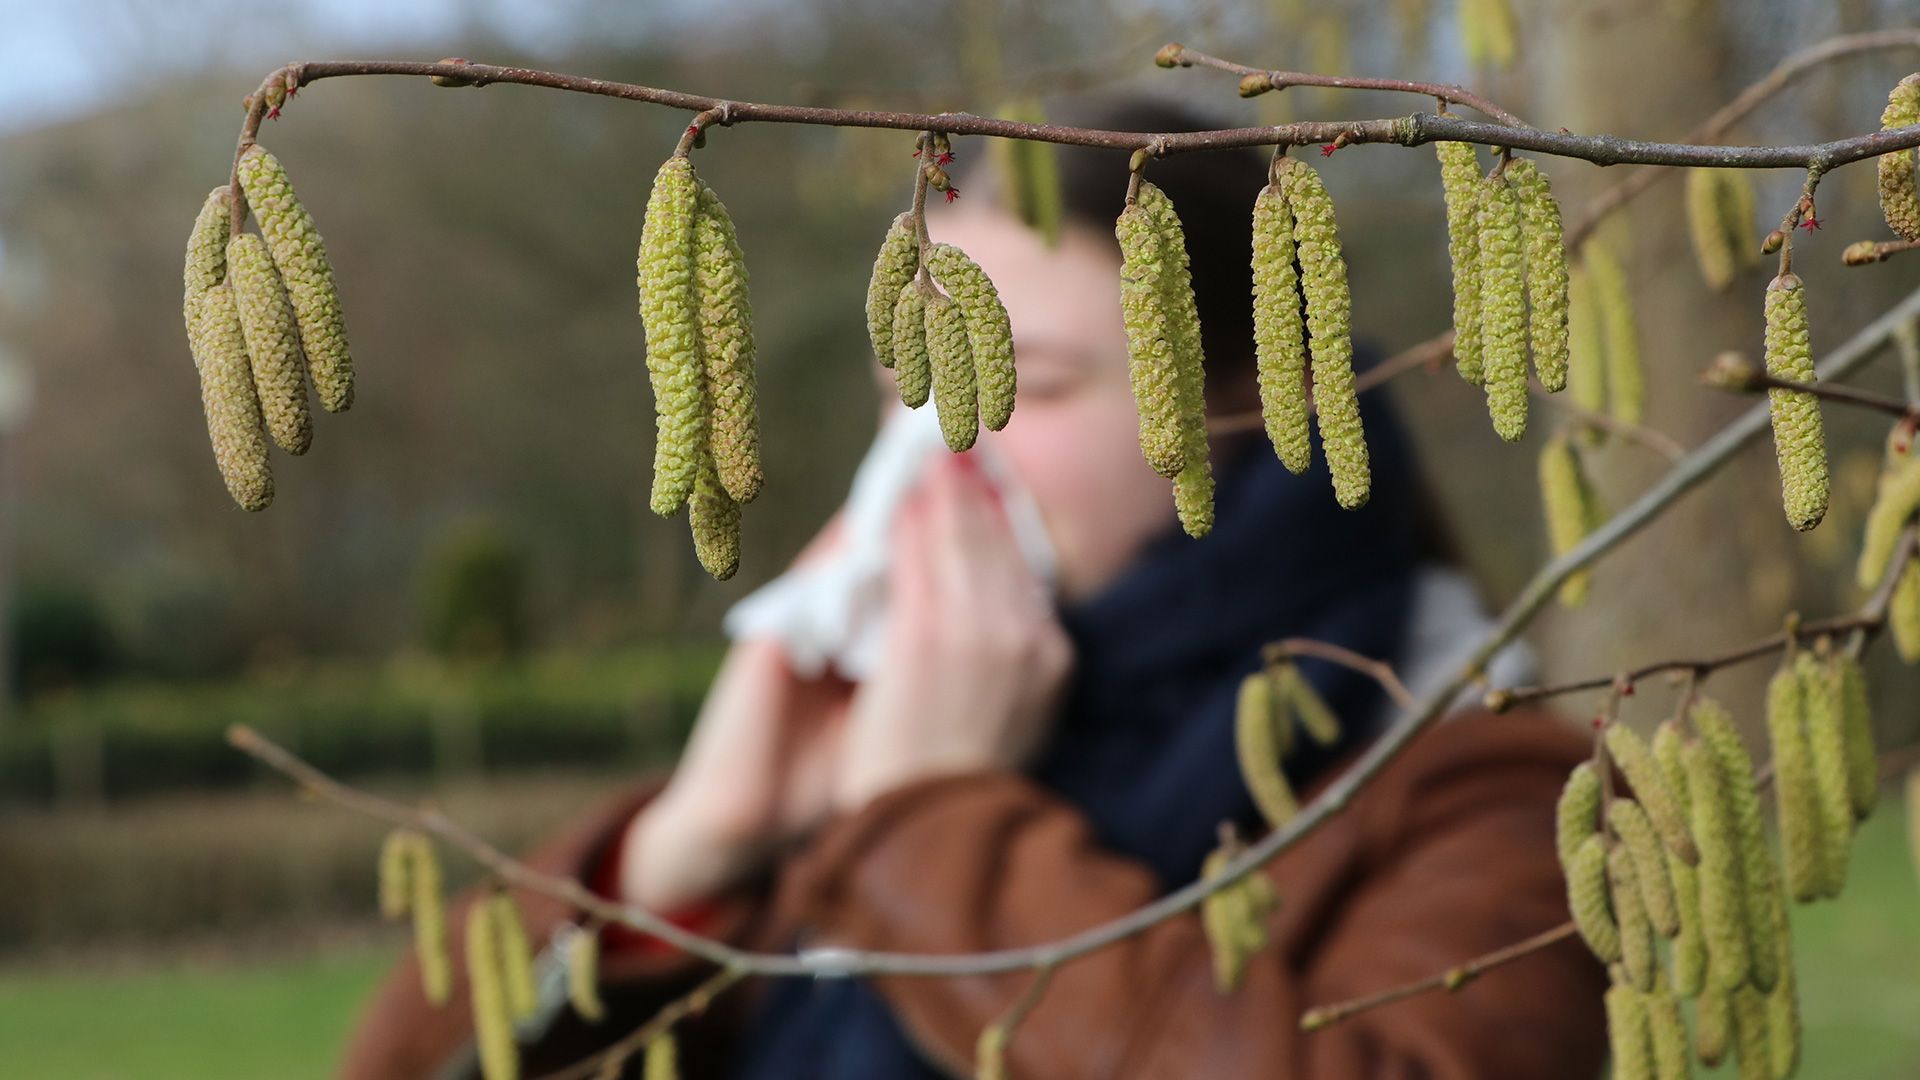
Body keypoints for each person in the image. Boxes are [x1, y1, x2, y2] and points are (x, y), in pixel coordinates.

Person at [342, 99, 1608, 1079]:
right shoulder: (842, 761)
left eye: (1031, 384)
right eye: (907, 390)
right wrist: (673, 864)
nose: (941, 449)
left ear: (1251, 401)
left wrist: (933, 829)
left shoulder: (1476, 797)